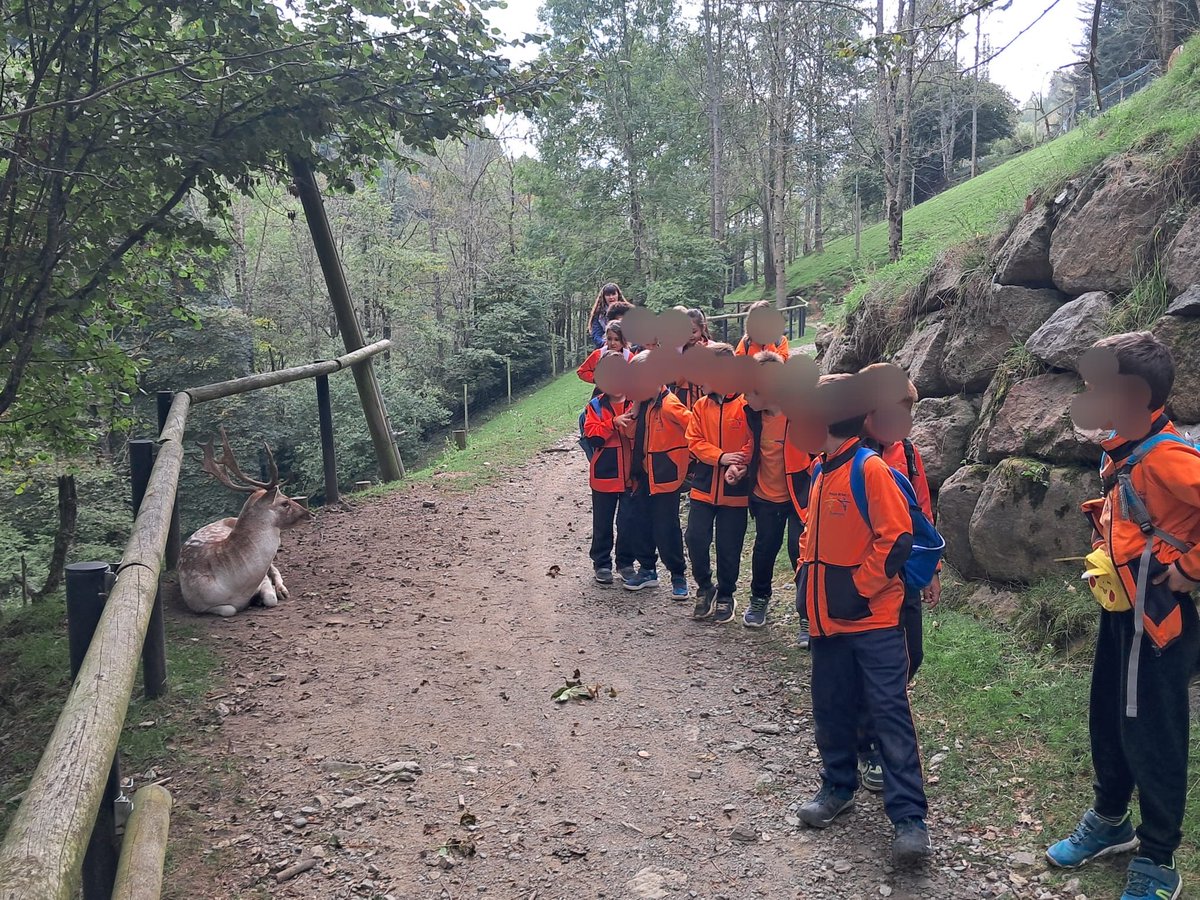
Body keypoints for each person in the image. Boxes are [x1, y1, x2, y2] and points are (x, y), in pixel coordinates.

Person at [1045, 332, 1200, 900]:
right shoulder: (1122, 447)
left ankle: (1159, 856)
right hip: (1123, 612)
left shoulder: (1166, 458)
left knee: (1153, 730)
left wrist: (1190, 570)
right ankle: (1112, 819)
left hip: (1158, 621)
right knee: (1110, 714)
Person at [796, 374, 931, 865]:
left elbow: (896, 539)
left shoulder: (868, 468)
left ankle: (909, 819)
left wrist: (856, 591)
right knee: (831, 709)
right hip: (825, 624)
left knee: (888, 713)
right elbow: (811, 535)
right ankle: (837, 787)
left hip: (872, 624)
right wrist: (804, 579)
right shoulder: (821, 469)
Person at [855, 366, 940, 793]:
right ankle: (868, 744)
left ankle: (868, 726)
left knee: (911, 657)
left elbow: (921, 510)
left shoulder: (906, 452)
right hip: (865, 577)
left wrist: (932, 569)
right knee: (872, 664)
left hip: (903, 574)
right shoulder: (847, 454)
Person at [685, 343, 753, 624]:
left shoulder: (747, 404)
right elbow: (694, 440)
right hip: (704, 485)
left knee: (729, 545)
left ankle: (726, 593)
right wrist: (721, 457)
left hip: (735, 489)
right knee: (695, 537)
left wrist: (740, 464)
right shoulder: (701, 406)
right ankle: (705, 586)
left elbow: (754, 440)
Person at [618, 351, 693, 599]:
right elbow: (632, 435)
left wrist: (685, 460)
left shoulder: (670, 404)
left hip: (665, 477)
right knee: (639, 522)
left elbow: (694, 426)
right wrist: (635, 409)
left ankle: (678, 575)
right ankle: (647, 569)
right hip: (643, 475)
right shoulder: (644, 405)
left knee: (666, 527)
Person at [741, 350, 801, 628]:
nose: (744, 397)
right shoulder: (753, 415)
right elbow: (751, 446)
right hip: (766, 495)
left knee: (799, 552)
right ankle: (759, 598)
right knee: (765, 549)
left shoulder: (800, 413)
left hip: (800, 497)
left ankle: (807, 614)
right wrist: (740, 465)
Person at [583, 385, 636, 586]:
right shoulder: (595, 406)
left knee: (628, 521)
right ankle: (601, 563)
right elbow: (593, 437)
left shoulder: (636, 402)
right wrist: (613, 423)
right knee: (602, 522)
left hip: (631, 475)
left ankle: (626, 563)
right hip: (604, 474)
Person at [785, 419, 817, 648]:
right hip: (798, 491)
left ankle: (817, 619)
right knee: (798, 552)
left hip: (819, 488)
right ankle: (806, 618)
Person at [578, 317, 633, 385]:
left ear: (623, 340)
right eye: (609, 339)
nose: (612, 343)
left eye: (617, 339)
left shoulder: (628, 356)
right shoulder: (598, 354)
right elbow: (582, 371)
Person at [587, 283, 630, 350]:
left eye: (613, 294)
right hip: (605, 347)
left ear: (618, 295)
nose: (611, 297)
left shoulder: (627, 310)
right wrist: (606, 344)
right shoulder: (598, 314)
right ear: (603, 297)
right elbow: (596, 335)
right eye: (608, 295)